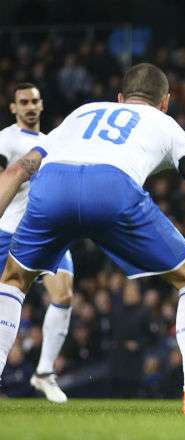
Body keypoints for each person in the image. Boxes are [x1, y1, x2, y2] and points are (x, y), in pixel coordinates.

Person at [0, 63, 185, 415]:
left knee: (14, 281)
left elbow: (18, 170)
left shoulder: (84, 112)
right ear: (165, 102)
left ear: (121, 98)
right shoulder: (166, 124)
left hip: (52, 188)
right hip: (112, 188)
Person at [0, 83, 74, 403]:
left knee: (64, 295)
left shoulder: (52, 144)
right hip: (9, 231)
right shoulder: (6, 139)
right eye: (23, 102)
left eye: (35, 101)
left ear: (42, 105)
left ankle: (44, 373)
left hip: (46, 233)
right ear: (13, 108)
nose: (30, 106)